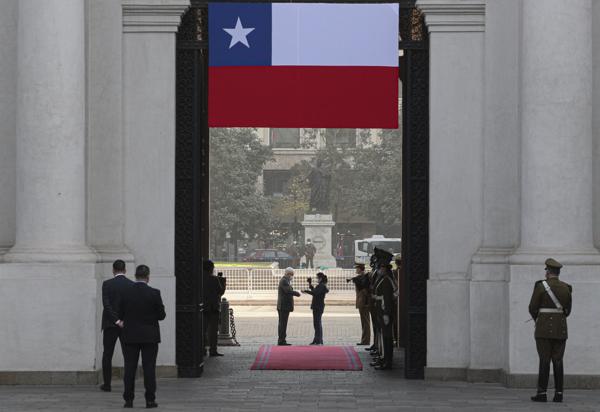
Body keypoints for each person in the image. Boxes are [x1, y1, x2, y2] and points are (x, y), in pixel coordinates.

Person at [118, 265, 166, 409]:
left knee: (130, 368)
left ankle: (128, 400)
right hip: (149, 337)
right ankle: (150, 400)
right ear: (148, 277)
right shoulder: (154, 293)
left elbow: (120, 313)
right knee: (149, 368)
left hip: (130, 335)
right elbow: (161, 316)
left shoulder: (126, 293)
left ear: (135, 276)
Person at [529, 258, 572, 403]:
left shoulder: (540, 286)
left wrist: (539, 319)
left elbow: (532, 308)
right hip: (561, 329)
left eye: (546, 270)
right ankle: (559, 394)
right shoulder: (566, 288)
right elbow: (568, 311)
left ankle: (542, 393)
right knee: (558, 360)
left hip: (543, 330)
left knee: (544, 360)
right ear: (558, 273)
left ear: (548, 272)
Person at [100, 259, 133, 392]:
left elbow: (106, 305)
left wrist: (116, 320)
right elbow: (131, 306)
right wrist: (123, 321)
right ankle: (128, 384)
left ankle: (107, 384)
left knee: (107, 354)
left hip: (110, 325)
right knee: (129, 356)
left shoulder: (107, 284)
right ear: (125, 270)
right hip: (126, 325)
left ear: (113, 270)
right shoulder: (131, 285)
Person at [202, 260, 226, 357]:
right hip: (213, 307)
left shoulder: (199, 279)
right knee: (213, 331)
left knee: (202, 330)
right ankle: (213, 350)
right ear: (211, 268)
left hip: (202, 307)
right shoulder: (214, 279)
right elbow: (220, 291)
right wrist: (222, 282)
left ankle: (202, 349)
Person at [347, 262, 370, 345]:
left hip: (364, 302)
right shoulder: (360, 277)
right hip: (362, 302)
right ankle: (364, 340)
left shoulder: (364, 277)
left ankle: (365, 340)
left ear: (360, 269)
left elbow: (365, 290)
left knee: (365, 322)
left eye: (357, 268)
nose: (356, 270)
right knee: (364, 322)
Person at [303, 272, 329, 345]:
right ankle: (317, 339)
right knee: (316, 323)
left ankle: (319, 340)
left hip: (318, 306)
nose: (317, 279)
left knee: (317, 324)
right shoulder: (321, 285)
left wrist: (305, 291)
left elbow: (314, 293)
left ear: (320, 278)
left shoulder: (321, 286)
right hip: (318, 306)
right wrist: (310, 284)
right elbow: (315, 291)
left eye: (317, 278)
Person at [277, 267, 301, 345]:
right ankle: (281, 340)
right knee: (283, 324)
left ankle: (282, 340)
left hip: (284, 306)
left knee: (283, 324)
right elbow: (288, 291)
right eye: (292, 275)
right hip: (283, 306)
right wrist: (297, 293)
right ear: (288, 274)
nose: (292, 276)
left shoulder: (286, 280)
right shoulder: (284, 280)